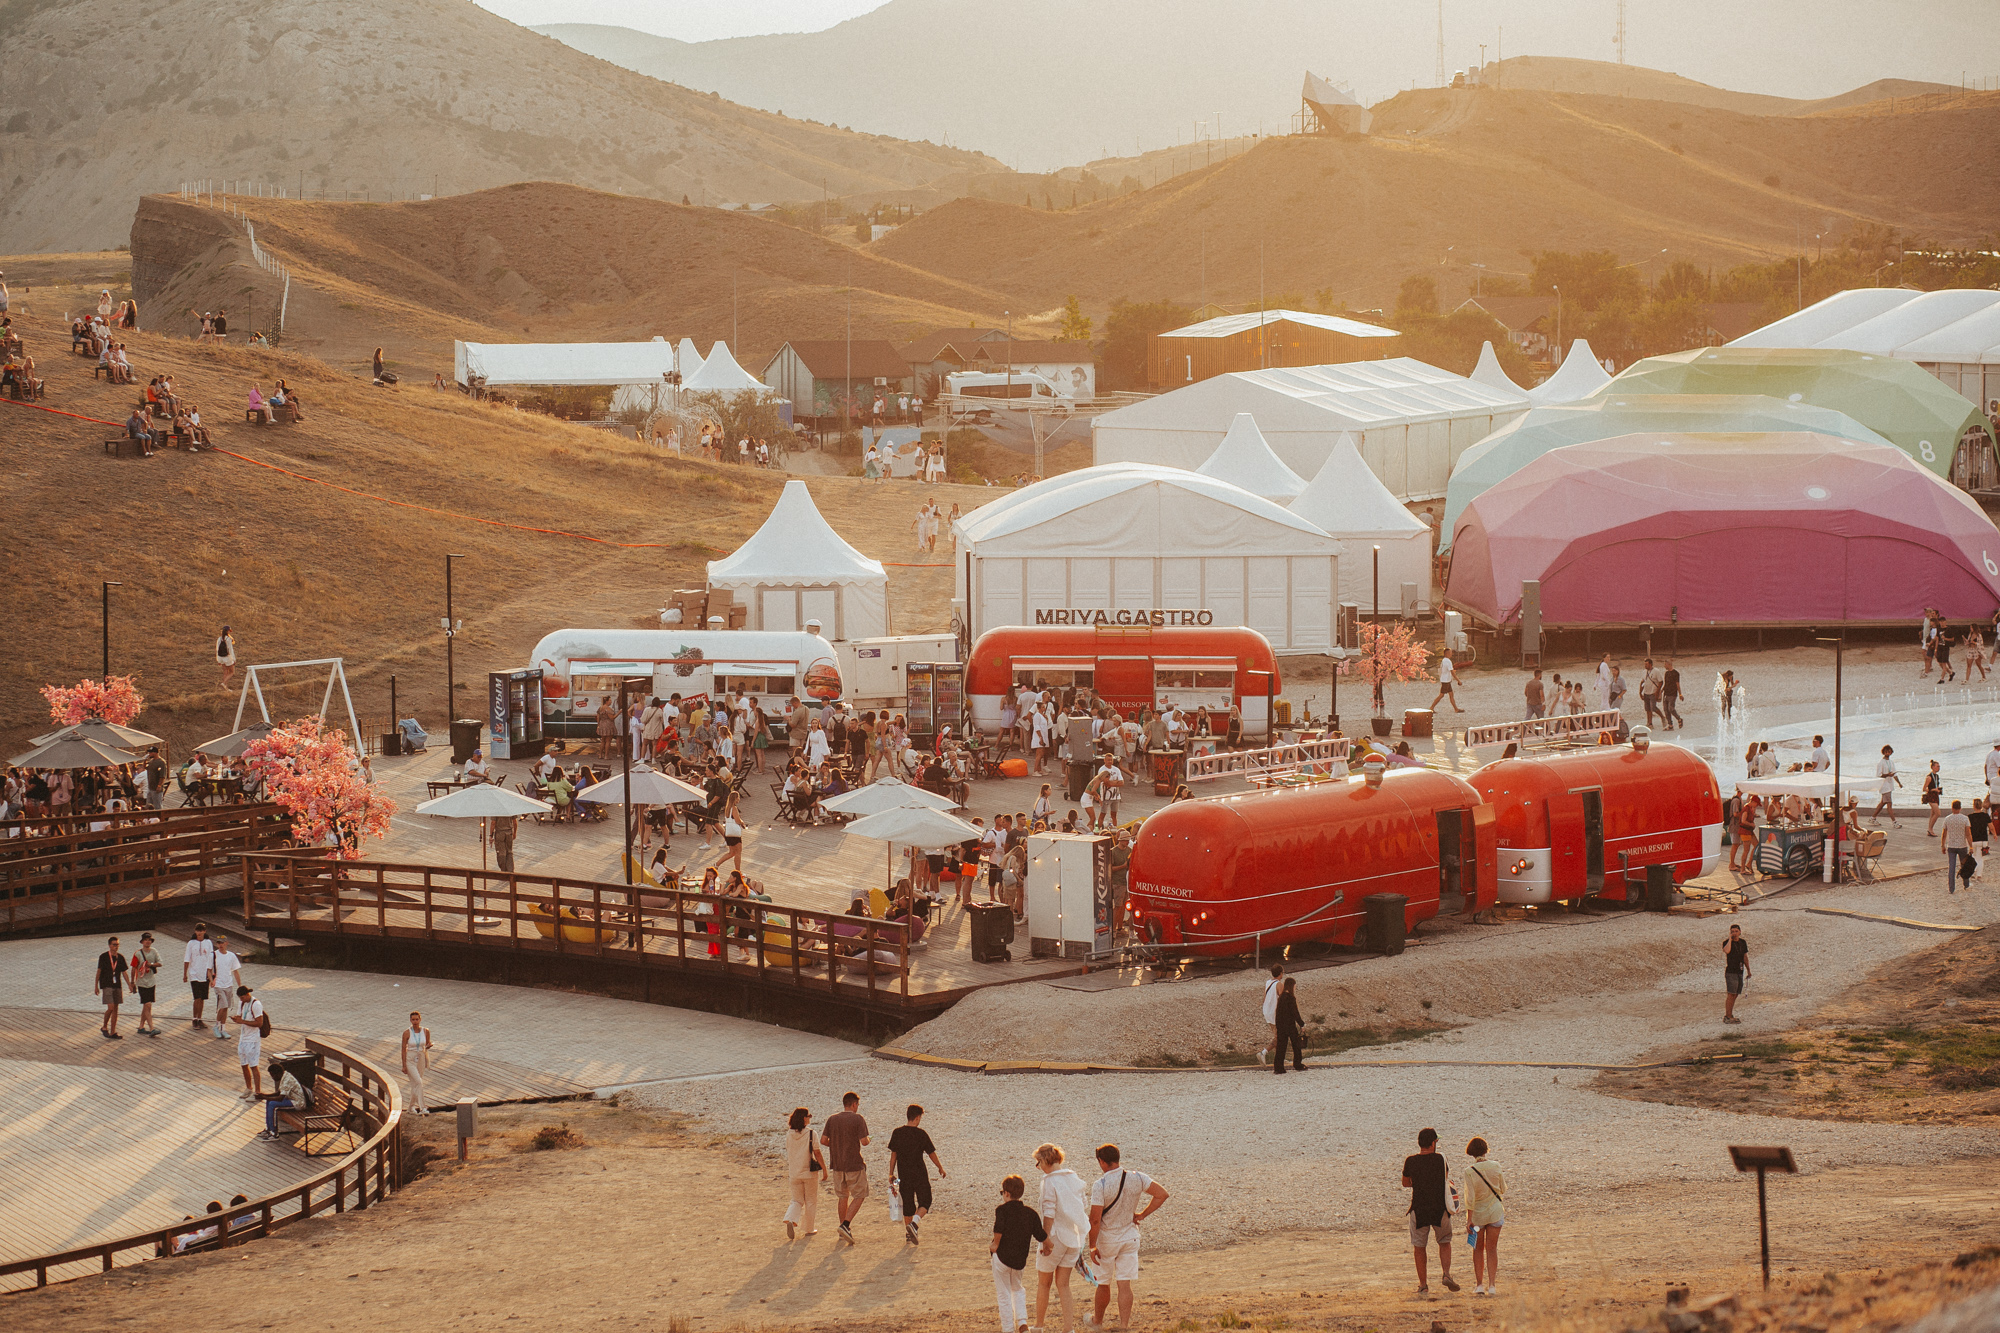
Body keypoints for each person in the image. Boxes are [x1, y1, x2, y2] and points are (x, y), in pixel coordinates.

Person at [1087, 1144, 1170, 1330]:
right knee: (1124, 1284)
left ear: (1102, 1162)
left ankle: (1097, 1322)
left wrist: (1092, 1246)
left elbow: (1095, 1220)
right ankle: (1124, 1326)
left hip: (1108, 1239)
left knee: (1103, 1283)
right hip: (1130, 1236)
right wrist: (1142, 1215)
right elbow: (1162, 1194)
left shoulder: (1100, 1185)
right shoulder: (1137, 1177)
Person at [1033, 1143, 1089, 1333]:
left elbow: (1049, 1213)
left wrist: (1045, 1240)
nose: (1039, 1167)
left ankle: (1039, 1326)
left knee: (1044, 1283)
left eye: (1038, 1163)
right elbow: (1083, 1205)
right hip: (1074, 1238)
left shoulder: (1049, 1181)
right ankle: (1068, 1328)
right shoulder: (1074, 1177)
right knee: (1063, 1284)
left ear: (1044, 1160)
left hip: (1056, 1237)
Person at [1402, 1127, 1459, 1295]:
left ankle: (1423, 1285)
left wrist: (1418, 1182)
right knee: (1444, 1241)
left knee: (1419, 1246)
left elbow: (1405, 1183)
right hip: (1439, 1208)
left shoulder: (1410, 1161)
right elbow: (1445, 1177)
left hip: (1419, 1208)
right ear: (1433, 1143)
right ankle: (1446, 1274)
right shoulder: (1440, 1159)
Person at [991, 1174, 1047, 1333]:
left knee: (1004, 1294)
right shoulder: (1030, 1213)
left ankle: (1008, 1329)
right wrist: (1048, 1246)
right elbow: (1041, 1235)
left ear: (1007, 1193)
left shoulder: (1001, 1210)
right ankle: (1022, 1322)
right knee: (1017, 1288)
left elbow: (998, 1229)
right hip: (1019, 1260)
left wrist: (995, 1244)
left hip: (1002, 1258)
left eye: (1002, 1192)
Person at [887, 1103, 946, 1245]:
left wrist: (891, 1174)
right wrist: (940, 1167)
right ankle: (914, 1223)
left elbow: (893, 1155)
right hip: (920, 1173)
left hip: (903, 1175)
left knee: (908, 1204)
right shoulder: (921, 1134)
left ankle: (909, 1235)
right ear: (918, 1117)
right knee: (925, 1200)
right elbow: (931, 1153)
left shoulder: (897, 1133)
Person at [821, 1091, 871, 1246]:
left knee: (843, 1196)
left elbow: (823, 1140)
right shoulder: (858, 1118)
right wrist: (870, 1138)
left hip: (837, 1164)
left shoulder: (832, 1119)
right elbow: (864, 1142)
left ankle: (842, 1229)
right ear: (854, 1104)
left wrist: (836, 1145)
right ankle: (845, 1225)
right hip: (853, 1163)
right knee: (860, 1195)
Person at [1462, 1137, 1506, 1296]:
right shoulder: (1496, 1166)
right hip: (1495, 1211)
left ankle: (1479, 1284)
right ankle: (1492, 1285)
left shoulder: (1469, 1171)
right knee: (1492, 1249)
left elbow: (1470, 1198)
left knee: (1478, 1249)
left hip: (1478, 1215)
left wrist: (1469, 1219)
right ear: (1485, 1150)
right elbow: (1502, 1188)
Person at [784, 1107, 824, 1241]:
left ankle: (790, 1219)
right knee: (811, 1200)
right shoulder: (811, 1133)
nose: (810, 1118)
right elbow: (817, 1152)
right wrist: (824, 1169)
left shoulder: (789, 1134)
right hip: (809, 1172)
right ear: (804, 1118)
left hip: (794, 1172)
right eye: (808, 1116)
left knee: (796, 1200)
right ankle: (809, 1228)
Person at [232, 984, 266, 1099]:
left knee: (253, 1065)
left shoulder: (256, 1004)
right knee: (243, 1064)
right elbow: (240, 1016)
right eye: (240, 998)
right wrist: (236, 1019)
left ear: (247, 995)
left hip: (253, 1039)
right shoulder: (242, 1003)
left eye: (242, 997)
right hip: (243, 1038)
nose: (241, 1000)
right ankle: (248, 1088)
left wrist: (242, 1021)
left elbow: (259, 1023)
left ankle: (258, 1091)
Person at [129, 931, 164, 1038]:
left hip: (151, 982)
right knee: (147, 1004)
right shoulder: (137, 954)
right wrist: (132, 982)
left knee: (147, 1005)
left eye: (149, 940)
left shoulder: (154, 951)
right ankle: (152, 1027)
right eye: (146, 940)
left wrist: (151, 964)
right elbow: (133, 968)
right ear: (142, 942)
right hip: (141, 982)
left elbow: (160, 963)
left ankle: (141, 1026)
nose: (148, 942)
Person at [183, 921, 216, 1030]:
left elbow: (211, 958)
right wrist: (185, 974)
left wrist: (212, 974)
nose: (199, 933)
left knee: (202, 998)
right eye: (198, 930)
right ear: (195, 931)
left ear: (205, 931)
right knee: (197, 997)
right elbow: (187, 958)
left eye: (201, 930)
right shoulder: (191, 943)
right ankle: (194, 1019)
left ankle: (200, 1019)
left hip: (205, 974)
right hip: (194, 974)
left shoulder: (208, 942)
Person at [1271, 975, 1306, 1074]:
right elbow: (1295, 1013)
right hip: (1290, 1025)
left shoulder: (1281, 997)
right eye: (1294, 986)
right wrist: (1302, 1024)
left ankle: (1278, 1068)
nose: (1295, 988)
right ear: (1291, 986)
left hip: (1281, 1025)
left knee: (1281, 1047)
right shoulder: (1291, 998)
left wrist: (1277, 1026)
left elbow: (1278, 1013)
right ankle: (1297, 1064)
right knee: (1296, 1045)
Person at [95, 935, 128, 1039]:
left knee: (116, 1009)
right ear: (109, 945)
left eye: (117, 945)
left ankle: (113, 1031)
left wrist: (130, 984)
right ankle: (104, 1027)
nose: (116, 947)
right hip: (106, 984)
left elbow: (124, 972)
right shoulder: (104, 957)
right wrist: (96, 985)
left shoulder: (120, 957)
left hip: (117, 985)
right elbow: (99, 971)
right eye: (114, 945)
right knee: (111, 1007)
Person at [210, 935, 242, 1039]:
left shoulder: (231, 956)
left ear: (226, 943)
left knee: (226, 1007)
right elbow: (209, 970)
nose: (220, 945)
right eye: (218, 943)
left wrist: (240, 985)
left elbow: (235, 971)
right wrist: (211, 981)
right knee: (223, 1005)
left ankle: (223, 1029)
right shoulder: (213, 955)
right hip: (218, 984)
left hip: (228, 984)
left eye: (222, 943)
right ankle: (216, 1026)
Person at [400, 1011, 433, 1115]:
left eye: (417, 1019)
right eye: (413, 1020)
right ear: (410, 1020)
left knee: (416, 1084)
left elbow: (426, 1044)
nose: (415, 1021)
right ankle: (423, 1108)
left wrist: (428, 1046)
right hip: (410, 1058)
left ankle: (410, 1108)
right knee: (418, 1082)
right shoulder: (407, 1033)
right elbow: (403, 1049)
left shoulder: (426, 1031)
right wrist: (404, 1065)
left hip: (421, 1057)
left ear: (420, 1020)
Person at [1941, 799, 1975, 894]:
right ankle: (1966, 884)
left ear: (1952, 808)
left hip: (1951, 846)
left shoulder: (1947, 819)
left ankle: (1951, 888)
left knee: (1951, 866)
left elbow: (1944, 834)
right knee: (1964, 866)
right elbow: (1968, 834)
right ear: (1960, 808)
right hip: (1962, 846)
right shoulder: (1965, 819)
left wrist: (1943, 845)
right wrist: (1971, 846)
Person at [1722, 924, 1750, 1023]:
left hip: (1739, 971)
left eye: (1736, 931)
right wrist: (1730, 939)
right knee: (1731, 994)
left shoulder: (1743, 942)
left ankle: (1730, 1014)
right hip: (1731, 972)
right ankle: (1728, 1016)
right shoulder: (1726, 942)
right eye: (1732, 931)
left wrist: (1748, 970)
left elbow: (1745, 957)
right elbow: (1727, 950)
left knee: (1736, 994)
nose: (1734, 933)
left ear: (1740, 932)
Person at [1871, 745, 1902, 827]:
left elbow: (1894, 774)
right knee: (1889, 804)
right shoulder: (1881, 763)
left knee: (1883, 803)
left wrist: (1899, 783)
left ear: (1891, 752)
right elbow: (1879, 775)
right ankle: (1894, 822)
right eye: (1886, 752)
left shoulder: (1891, 762)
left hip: (1890, 785)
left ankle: (1873, 818)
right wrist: (1888, 774)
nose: (1888, 753)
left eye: (1889, 751)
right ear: (1883, 752)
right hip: (1884, 786)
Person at [1923, 760, 1945, 836]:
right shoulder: (1929, 777)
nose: (1939, 768)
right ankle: (1930, 829)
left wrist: (1938, 790)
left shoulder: (1936, 776)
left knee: (1933, 814)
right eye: (1937, 766)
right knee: (1938, 813)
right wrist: (1933, 790)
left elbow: (1935, 785)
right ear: (1933, 767)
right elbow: (1924, 788)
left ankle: (1930, 830)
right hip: (1931, 796)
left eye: (1939, 766)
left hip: (1936, 796)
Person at [1661, 660, 1683, 730]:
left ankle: (1679, 718)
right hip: (1666, 693)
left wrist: (1680, 694)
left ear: (1669, 664)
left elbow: (1677, 684)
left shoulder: (1676, 673)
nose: (1664, 666)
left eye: (1665, 664)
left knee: (1671, 708)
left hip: (1673, 693)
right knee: (1666, 709)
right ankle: (1670, 724)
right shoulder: (1666, 673)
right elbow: (1665, 684)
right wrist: (1661, 691)